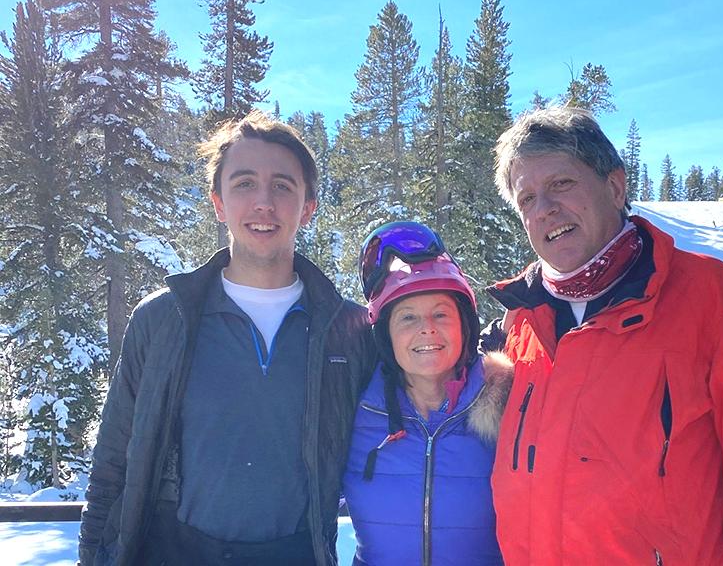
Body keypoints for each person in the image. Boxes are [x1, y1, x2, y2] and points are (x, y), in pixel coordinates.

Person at [486, 107, 723, 565]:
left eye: (561, 184)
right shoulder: (524, 319)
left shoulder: (707, 297)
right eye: (527, 199)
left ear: (615, 186)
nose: (544, 209)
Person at [78, 110, 374, 566]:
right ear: (218, 202)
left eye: (282, 185)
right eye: (244, 184)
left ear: (308, 207)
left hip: (296, 555)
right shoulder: (163, 320)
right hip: (175, 552)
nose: (264, 202)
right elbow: (113, 465)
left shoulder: (350, 331)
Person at [342, 222, 509, 566]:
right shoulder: (354, 410)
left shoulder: (511, 408)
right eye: (407, 317)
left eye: (441, 314)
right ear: (385, 336)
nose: (426, 328)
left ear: (465, 325)